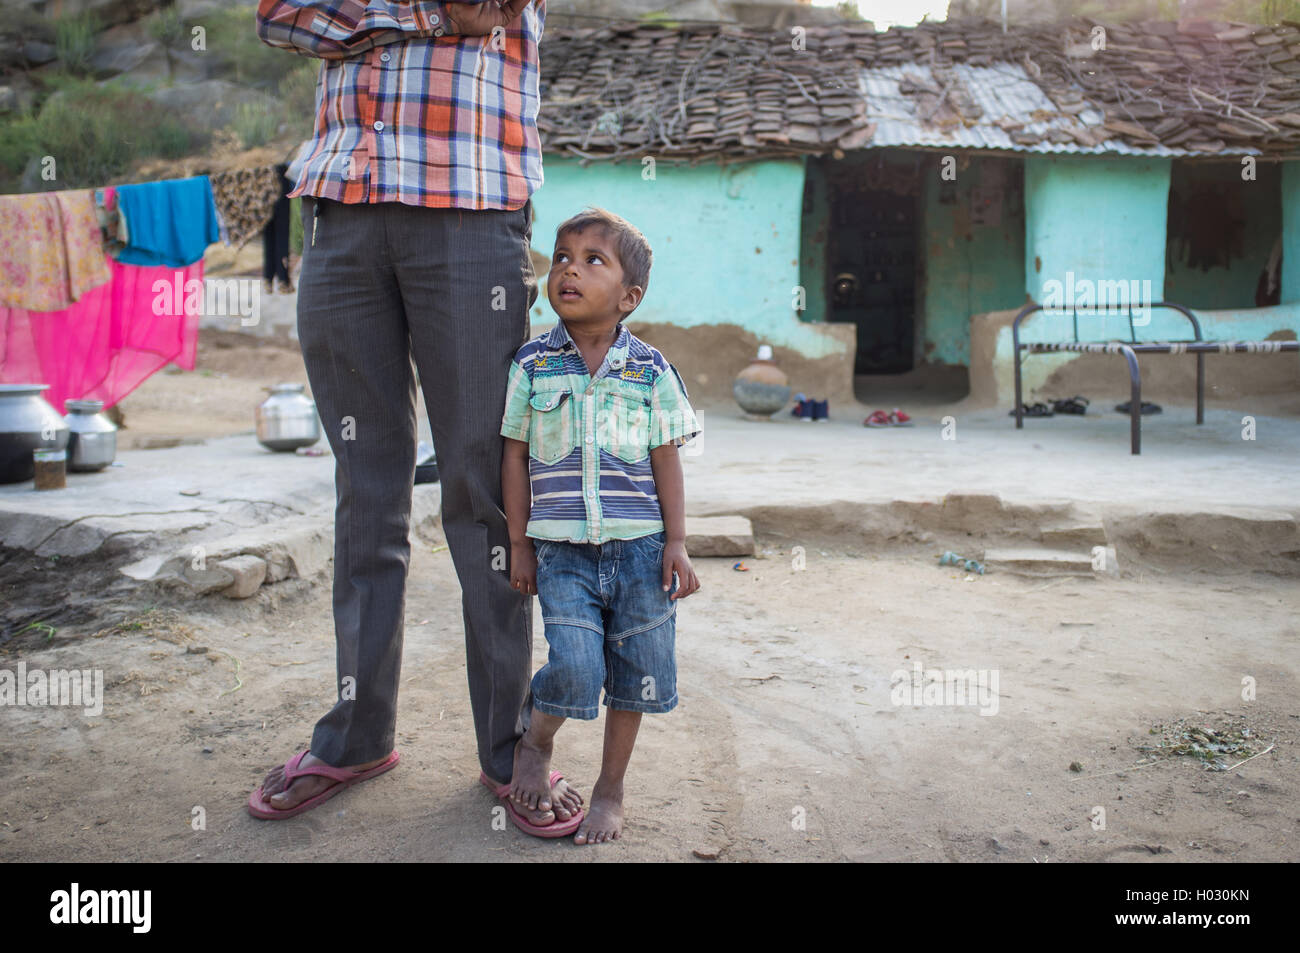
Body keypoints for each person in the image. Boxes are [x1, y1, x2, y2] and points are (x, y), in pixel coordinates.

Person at [246, 0, 585, 833]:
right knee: (366, 487)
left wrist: (378, 17)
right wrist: (430, 16)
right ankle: (358, 734)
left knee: (483, 487)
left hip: (470, 216)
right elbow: (282, 17)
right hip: (339, 214)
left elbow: (494, 11)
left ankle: (511, 748)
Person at [499, 207, 703, 843]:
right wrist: (519, 543)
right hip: (562, 554)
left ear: (629, 296)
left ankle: (611, 788)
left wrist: (676, 541)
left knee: (635, 675)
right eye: (561, 256)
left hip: (641, 552)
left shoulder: (650, 370)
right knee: (576, 667)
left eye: (593, 260)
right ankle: (536, 740)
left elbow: (666, 453)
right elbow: (514, 451)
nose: (569, 270)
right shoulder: (532, 364)